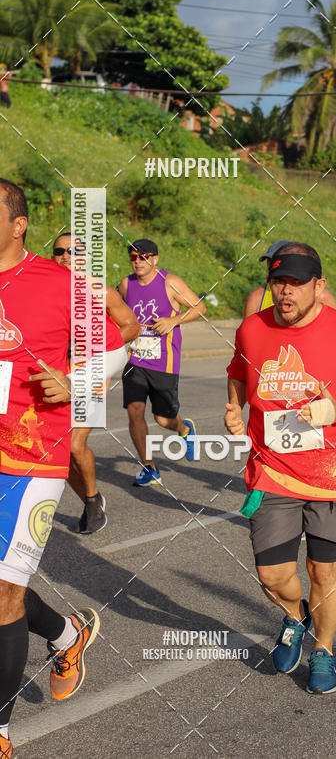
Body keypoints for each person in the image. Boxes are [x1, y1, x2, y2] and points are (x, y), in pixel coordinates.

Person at [0, 179, 127, 758]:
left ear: (18, 223)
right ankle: (65, 632)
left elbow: (118, 346)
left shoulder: (60, 284)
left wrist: (75, 382)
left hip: (30, 458)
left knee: (3, 594)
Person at [225, 242, 336, 694]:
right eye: (278, 282)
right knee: (272, 575)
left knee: (323, 571)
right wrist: (234, 408)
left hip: (333, 473)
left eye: (296, 283)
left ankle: (324, 651)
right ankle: (295, 618)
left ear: (319, 286)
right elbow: (238, 373)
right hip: (272, 469)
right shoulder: (252, 329)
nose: (285, 292)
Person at [51, 232, 140, 534]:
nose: (66, 257)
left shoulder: (100, 292)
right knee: (56, 449)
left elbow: (131, 325)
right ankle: (92, 497)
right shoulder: (44, 291)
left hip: (91, 371)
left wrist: (101, 347)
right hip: (55, 374)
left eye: (73, 251)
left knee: (75, 445)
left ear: (85, 257)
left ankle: (91, 501)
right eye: (59, 251)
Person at [118, 238, 206, 486]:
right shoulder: (126, 284)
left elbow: (200, 308)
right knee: (135, 411)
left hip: (164, 363)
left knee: (162, 419)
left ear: (155, 259)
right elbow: (115, 308)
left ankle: (184, 429)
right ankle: (149, 468)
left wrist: (173, 321)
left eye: (143, 256)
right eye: (133, 257)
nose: (138, 261)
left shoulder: (170, 282)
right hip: (135, 360)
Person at [243, 240, 336, 317]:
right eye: (269, 261)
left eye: (278, 261)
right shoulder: (257, 297)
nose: (273, 265)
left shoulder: (321, 296)